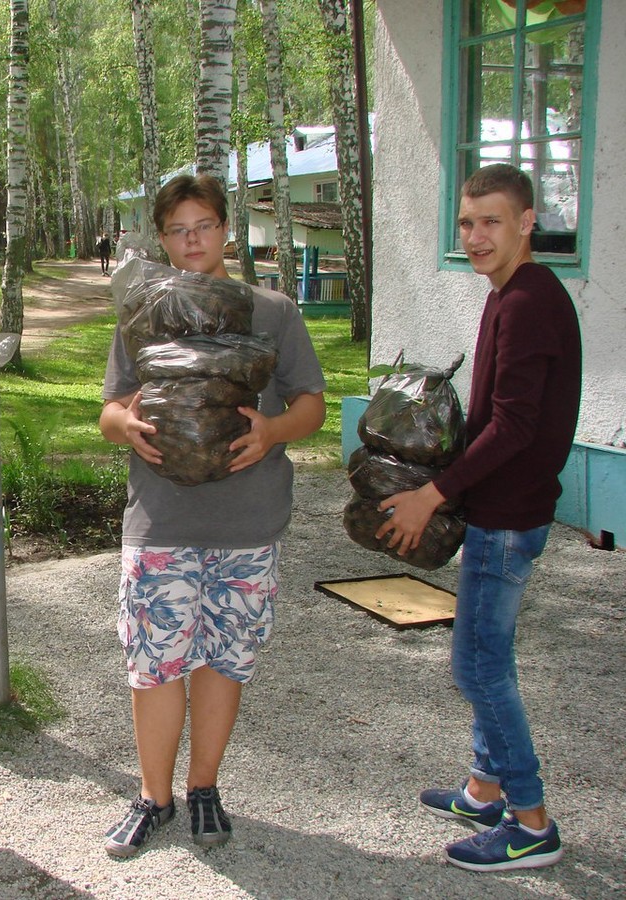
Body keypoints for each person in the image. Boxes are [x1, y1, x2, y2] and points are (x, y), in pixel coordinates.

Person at [99, 174, 326, 857]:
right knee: (155, 664)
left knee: (223, 661)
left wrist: (273, 433)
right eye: (177, 230)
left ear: (225, 229)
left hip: (246, 520)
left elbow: (312, 403)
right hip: (162, 520)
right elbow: (110, 408)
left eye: (202, 225)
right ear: (162, 240)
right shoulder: (143, 312)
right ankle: (152, 797)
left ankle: (204, 788)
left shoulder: (272, 311)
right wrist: (126, 428)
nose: (192, 240)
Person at [376, 162, 581, 872]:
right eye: (467, 223)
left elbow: (517, 427)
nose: (476, 235)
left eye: (492, 221)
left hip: (508, 517)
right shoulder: (509, 294)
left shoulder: (527, 302)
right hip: (498, 509)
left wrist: (433, 495)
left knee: (479, 667)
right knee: (489, 657)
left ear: (528, 221)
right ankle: (484, 789)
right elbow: (494, 413)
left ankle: (530, 825)